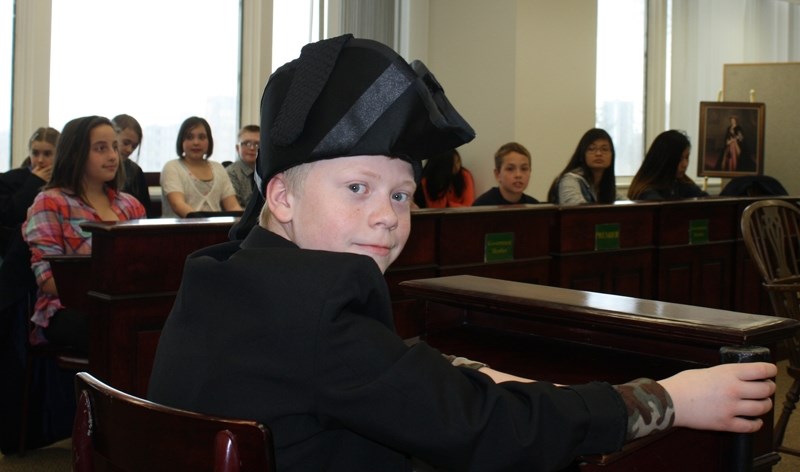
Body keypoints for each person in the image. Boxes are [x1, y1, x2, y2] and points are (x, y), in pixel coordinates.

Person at [147, 35, 777, 472]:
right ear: (280, 196)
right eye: (357, 188)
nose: (386, 217)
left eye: (400, 194)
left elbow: (360, 373)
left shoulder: (225, 273)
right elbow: (493, 432)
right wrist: (673, 399)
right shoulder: (314, 306)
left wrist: (456, 373)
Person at [22, 116, 146, 352]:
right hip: (65, 308)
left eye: (115, 147)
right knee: (115, 326)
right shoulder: (50, 202)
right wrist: (111, 289)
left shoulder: (130, 205)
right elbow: (48, 281)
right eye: (101, 148)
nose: (112, 156)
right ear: (75, 153)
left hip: (122, 304)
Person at [160, 116, 242, 217]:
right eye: (189, 137)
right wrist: (204, 225)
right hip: (179, 230)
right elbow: (178, 205)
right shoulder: (172, 167)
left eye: (202, 137)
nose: (196, 142)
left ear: (209, 141)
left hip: (216, 230)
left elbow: (233, 206)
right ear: (181, 141)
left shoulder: (218, 168)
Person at [0, 127, 60, 257]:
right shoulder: (9, 180)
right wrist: (34, 182)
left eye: (47, 154)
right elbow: (10, 215)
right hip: (17, 250)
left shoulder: (67, 182)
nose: (40, 160)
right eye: (35, 153)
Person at [628, 130, 709, 201]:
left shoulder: (681, 183)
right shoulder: (647, 193)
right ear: (665, 160)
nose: (685, 164)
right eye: (680, 159)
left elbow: (707, 201)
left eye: (687, 158)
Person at [547, 128, 618, 205]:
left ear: (612, 155)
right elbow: (578, 211)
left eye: (604, 149)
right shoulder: (570, 180)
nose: (598, 153)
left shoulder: (606, 183)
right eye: (591, 149)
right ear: (582, 154)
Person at [112, 114, 153, 217]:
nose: (129, 150)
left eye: (134, 146)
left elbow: (146, 211)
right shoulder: (96, 169)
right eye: (126, 143)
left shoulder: (136, 171)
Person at [473, 141, 539, 205]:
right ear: (497, 174)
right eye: (510, 169)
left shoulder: (535, 207)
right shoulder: (481, 207)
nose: (518, 175)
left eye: (524, 169)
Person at [226, 124, 260, 207]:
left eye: (257, 144)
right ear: (237, 148)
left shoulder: (268, 172)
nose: (252, 148)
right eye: (246, 143)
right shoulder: (230, 174)